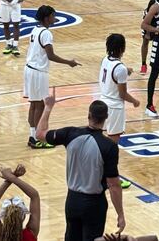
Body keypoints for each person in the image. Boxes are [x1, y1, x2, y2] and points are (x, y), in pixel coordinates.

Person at [36, 96, 126, 240]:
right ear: (106, 118)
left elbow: (39, 134)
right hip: (94, 204)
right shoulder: (109, 146)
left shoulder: (70, 134)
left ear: (88, 115)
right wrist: (120, 214)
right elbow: (114, 185)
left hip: (72, 200)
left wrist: (48, 107)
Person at [25, 5, 80, 149]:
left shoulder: (35, 29)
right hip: (38, 71)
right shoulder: (46, 33)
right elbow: (50, 55)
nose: (55, 18)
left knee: (33, 104)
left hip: (29, 69)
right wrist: (69, 62)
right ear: (46, 18)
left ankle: (32, 136)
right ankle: (38, 138)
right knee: (40, 105)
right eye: (52, 16)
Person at [99, 34, 140, 189]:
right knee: (112, 147)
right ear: (123, 48)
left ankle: (101, 174)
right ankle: (112, 178)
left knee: (102, 143)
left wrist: (126, 71)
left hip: (102, 103)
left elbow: (114, 74)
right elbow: (122, 94)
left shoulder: (105, 60)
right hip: (114, 108)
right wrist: (134, 101)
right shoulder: (120, 69)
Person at [0, 164, 40, 241]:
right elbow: (34, 196)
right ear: (24, 217)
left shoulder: (0, 235)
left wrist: (10, 178)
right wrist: (12, 177)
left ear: (4, 217)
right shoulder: (32, 231)